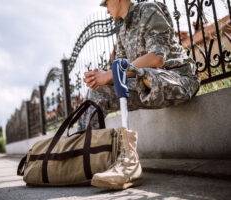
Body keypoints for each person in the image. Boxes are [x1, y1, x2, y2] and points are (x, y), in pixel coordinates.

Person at [80, 0, 200, 190]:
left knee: (147, 75)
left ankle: (128, 163)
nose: (106, 9)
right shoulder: (122, 31)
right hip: (143, 83)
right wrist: (100, 77)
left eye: (106, 4)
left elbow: (157, 58)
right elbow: (119, 71)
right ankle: (88, 159)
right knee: (97, 92)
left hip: (176, 79)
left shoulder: (149, 9)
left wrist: (111, 74)